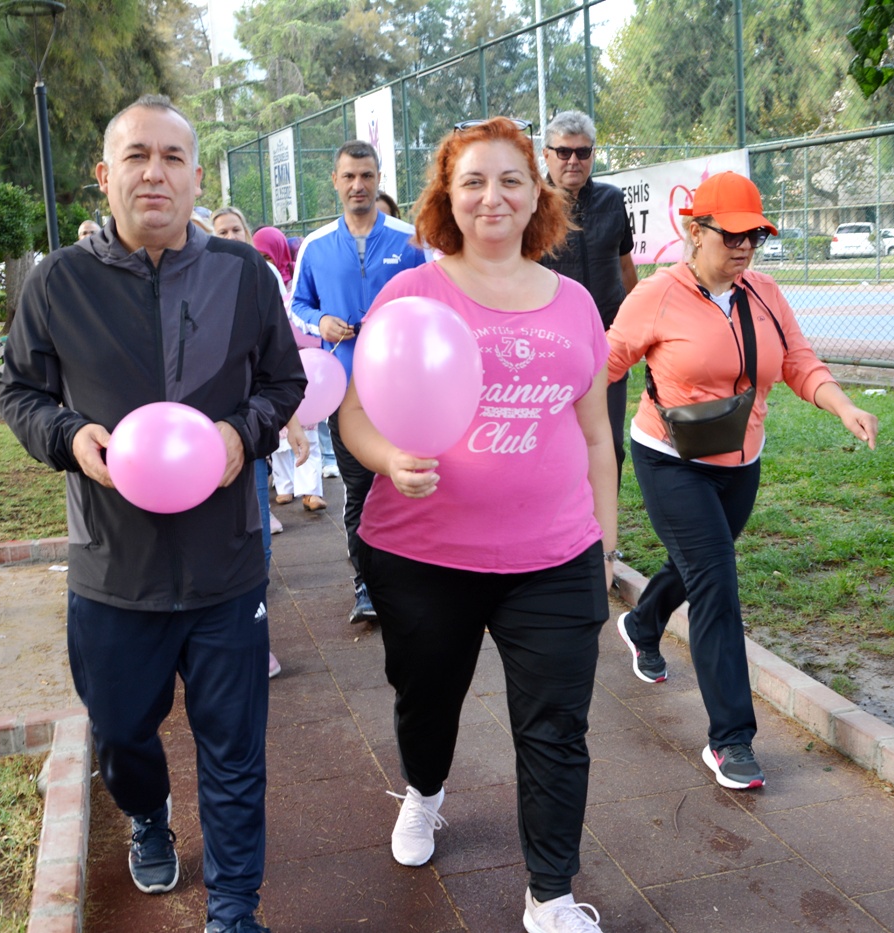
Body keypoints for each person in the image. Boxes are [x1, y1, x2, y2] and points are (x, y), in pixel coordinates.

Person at [0, 94, 304, 933]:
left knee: (235, 752)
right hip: (111, 569)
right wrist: (67, 435)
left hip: (225, 563)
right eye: (137, 156)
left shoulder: (243, 275)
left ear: (197, 176)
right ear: (106, 175)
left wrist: (243, 437)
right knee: (123, 734)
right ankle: (148, 813)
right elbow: (18, 391)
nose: (155, 173)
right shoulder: (58, 282)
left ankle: (235, 910)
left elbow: (286, 383)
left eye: (173, 157)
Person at [339, 116, 617, 933]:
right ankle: (424, 793)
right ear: (447, 199)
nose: (492, 196)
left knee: (557, 727)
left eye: (509, 180)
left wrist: (606, 537)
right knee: (428, 701)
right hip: (424, 555)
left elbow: (596, 431)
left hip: (555, 554)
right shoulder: (410, 294)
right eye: (472, 182)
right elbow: (355, 416)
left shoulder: (574, 302)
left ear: (537, 194)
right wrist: (388, 458)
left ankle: (552, 893)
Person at [607, 171, 878, 792]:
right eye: (731, 235)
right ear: (693, 231)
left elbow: (797, 360)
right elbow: (608, 360)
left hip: (740, 460)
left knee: (705, 563)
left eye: (753, 234)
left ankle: (644, 624)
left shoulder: (764, 294)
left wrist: (843, 406)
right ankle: (731, 740)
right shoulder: (657, 295)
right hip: (671, 459)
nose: (745, 246)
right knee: (717, 587)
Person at [290, 140, 428, 625]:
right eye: (349, 176)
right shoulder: (316, 245)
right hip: (344, 392)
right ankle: (366, 586)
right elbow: (296, 306)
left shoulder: (411, 240)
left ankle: (412, 582)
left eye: (367, 176)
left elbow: (435, 301)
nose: (358, 186)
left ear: (379, 178)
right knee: (361, 487)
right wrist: (321, 321)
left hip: (403, 390)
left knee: (409, 481)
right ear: (335, 180)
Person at [211, 203, 310, 677]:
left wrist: (289, 424)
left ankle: (255, 636)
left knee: (257, 544)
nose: (229, 235)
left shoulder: (258, 277)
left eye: (236, 229)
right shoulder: (202, 281)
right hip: (193, 441)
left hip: (247, 436)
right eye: (221, 230)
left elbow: (280, 366)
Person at [538, 111, 638, 485]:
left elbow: (626, 265)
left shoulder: (612, 201)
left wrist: (636, 328)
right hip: (551, 347)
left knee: (609, 444)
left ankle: (605, 540)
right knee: (555, 445)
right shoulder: (532, 205)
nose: (573, 161)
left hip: (607, 344)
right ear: (546, 155)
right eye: (563, 152)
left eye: (582, 152)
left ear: (593, 154)